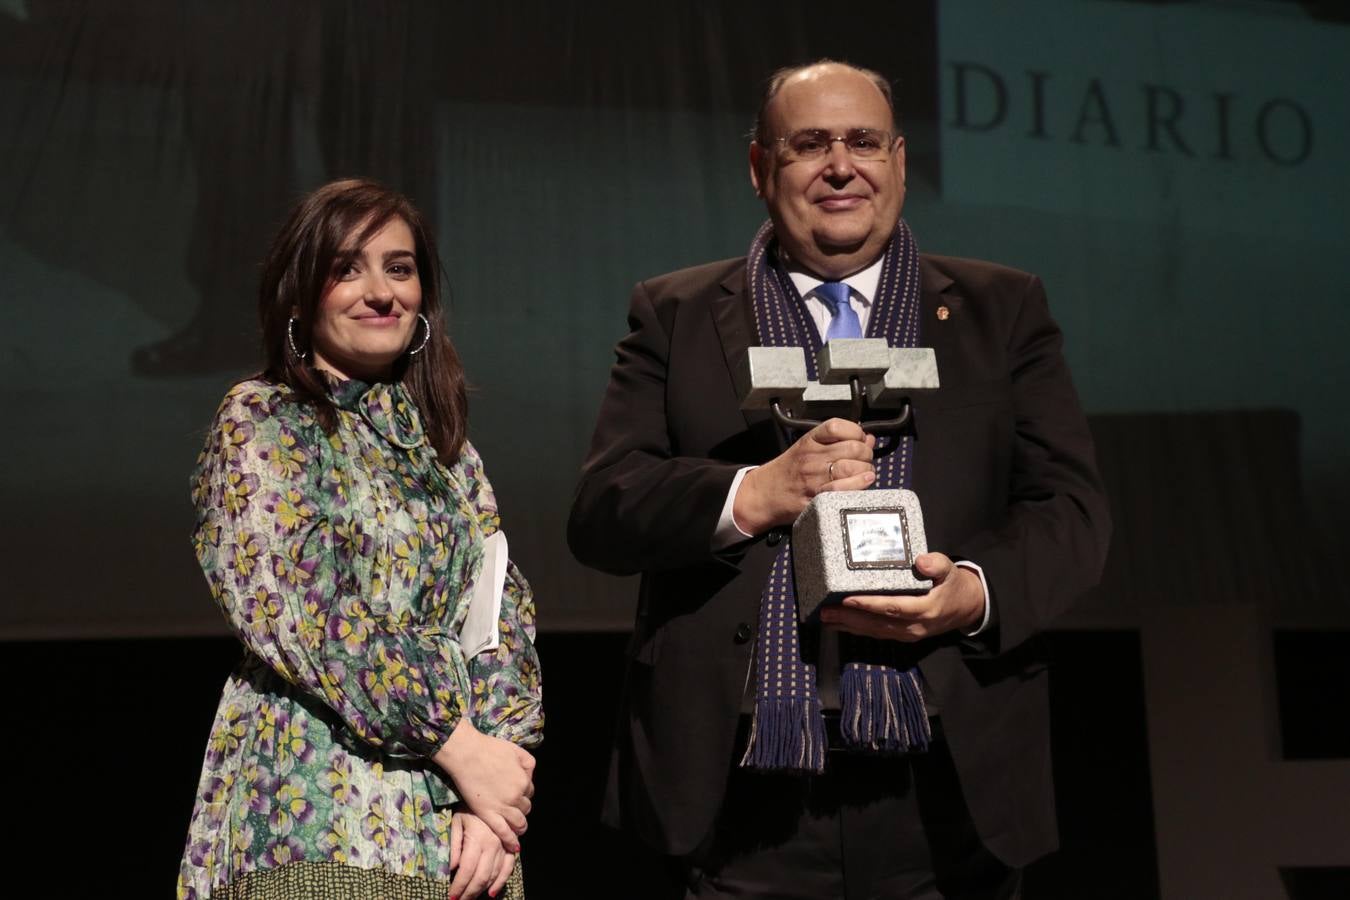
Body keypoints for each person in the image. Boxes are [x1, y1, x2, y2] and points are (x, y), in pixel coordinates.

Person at [568, 61, 1111, 898]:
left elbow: (1070, 511)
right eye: (810, 144)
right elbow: (605, 509)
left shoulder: (1001, 310)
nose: (840, 166)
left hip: (950, 777)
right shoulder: (674, 313)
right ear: (760, 168)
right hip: (738, 781)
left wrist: (972, 592)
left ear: (898, 161)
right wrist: (755, 494)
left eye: (863, 141)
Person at [177, 179, 542, 900]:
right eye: (346, 269)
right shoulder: (264, 420)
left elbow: (499, 615)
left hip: (457, 825)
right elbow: (305, 614)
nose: (380, 292)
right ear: (300, 295)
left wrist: (491, 791)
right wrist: (457, 745)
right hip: (318, 806)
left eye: (398, 268)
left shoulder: (445, 447)